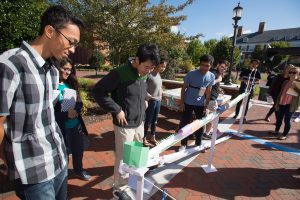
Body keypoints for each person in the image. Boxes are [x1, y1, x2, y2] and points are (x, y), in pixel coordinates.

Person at [0, 5, 83, 200]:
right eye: (71, 42)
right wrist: (5, 158)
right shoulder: (11, 65)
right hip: (33, 171)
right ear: (50, 31)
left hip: (59, 159)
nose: (72, 49)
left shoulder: (53, 69)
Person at [93, 43, 160, 199]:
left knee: (137, 155)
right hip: (125, 125)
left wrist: (144, 99)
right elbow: (98, 92)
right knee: (124, 158)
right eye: (146, 67)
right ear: (137, 60)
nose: (148, 71)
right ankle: (119, 188)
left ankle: (133, 181)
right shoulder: (120, 73)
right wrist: (116, 109)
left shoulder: (143, 72)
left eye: (151, 68)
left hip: (139, 122)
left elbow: (139, 90)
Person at [54, 58, 91, 181]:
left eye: (70, 69)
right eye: (65, 69)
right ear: (57, 68)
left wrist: (76, 110)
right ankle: (63, 178)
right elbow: (49, 111)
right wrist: (65, 114)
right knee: (63, 154)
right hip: (60, 127)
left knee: (78, 150)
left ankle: (79, 170)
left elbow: (79, 102)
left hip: (75, 125)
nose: (68, 72)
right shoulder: (51, 86)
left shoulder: (71, 84)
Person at [178, 54, 215, 151]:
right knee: (185, 123)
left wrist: (206, 105)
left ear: (211, 66)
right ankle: (183, 144)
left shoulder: (211, 76)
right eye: (202, 65)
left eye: (207, 65)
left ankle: (198, 144)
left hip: (200, 104)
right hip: (188, 102)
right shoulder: (191, 73)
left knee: (200, 124)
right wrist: (182, 102)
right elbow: (184, 88)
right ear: (200, 64)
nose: (204, 67)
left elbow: (208, 90)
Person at [143, 52, 168, 147]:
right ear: (157, 64)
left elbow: (159, 87)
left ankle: (152, 136)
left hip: (158, 101)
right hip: (151, 102)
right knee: (148, 121)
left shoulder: (158, 75)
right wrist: (149, 96)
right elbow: (143, 88)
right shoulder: (149, 74)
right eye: (161, 66)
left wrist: (162, 95)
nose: (163, 68)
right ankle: (144, 138)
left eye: (164, 67)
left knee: (155, 121)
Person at [272, 65, 300, 140]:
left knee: (287, 120)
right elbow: (281, 93)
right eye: (290, 72)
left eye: (294, 72)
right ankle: (276, 131)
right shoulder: (285, 82)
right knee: (279, 118)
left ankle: (285, 134)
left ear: (298, 74)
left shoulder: (298, 83)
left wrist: (295, 88)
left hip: (291, 105)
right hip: (282, 103)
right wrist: (277, 103)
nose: (292, 74)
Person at [203, 60, 228, 140]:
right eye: (222, 67)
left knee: (207, 117)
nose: (223, 69)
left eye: (225, 69)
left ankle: (204, 133)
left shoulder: (216, 73)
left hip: (210, 97)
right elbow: (209, 82)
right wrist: (219, 80)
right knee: (212, 117)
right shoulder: (214, 73)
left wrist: (218, 89)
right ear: (218, 65)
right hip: (210, 99)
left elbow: (212, 85)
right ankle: (206, 133)